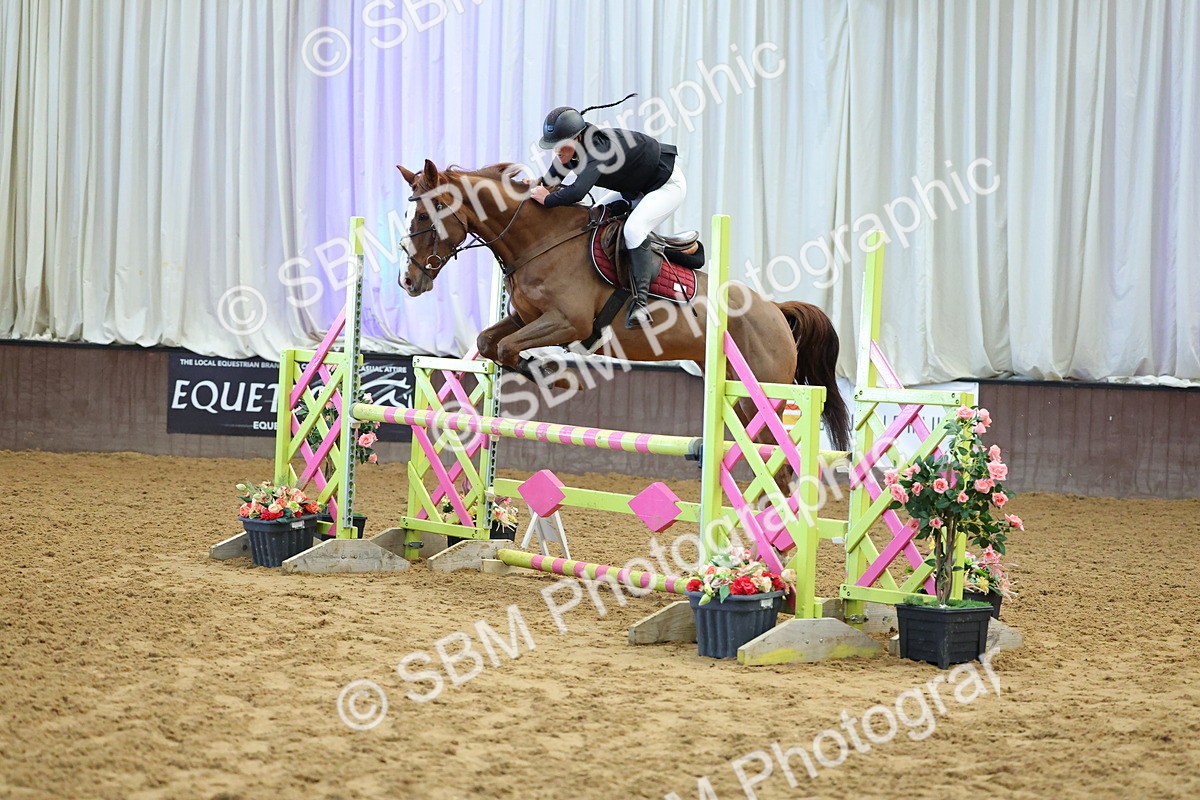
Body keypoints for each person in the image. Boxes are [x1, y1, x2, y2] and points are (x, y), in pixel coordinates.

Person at [528, 105, 685, 328]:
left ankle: (641, 305)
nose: (557, 152)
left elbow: (576, 192)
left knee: (633, 230)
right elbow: (551, 180)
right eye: (553, 147)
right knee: (591, 218)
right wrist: (535, 187)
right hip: (635, 188)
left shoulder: (597, 151)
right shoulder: (574, 148)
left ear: (577, 138)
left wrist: (548, 199)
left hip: (666, 185)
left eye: (561, 146)